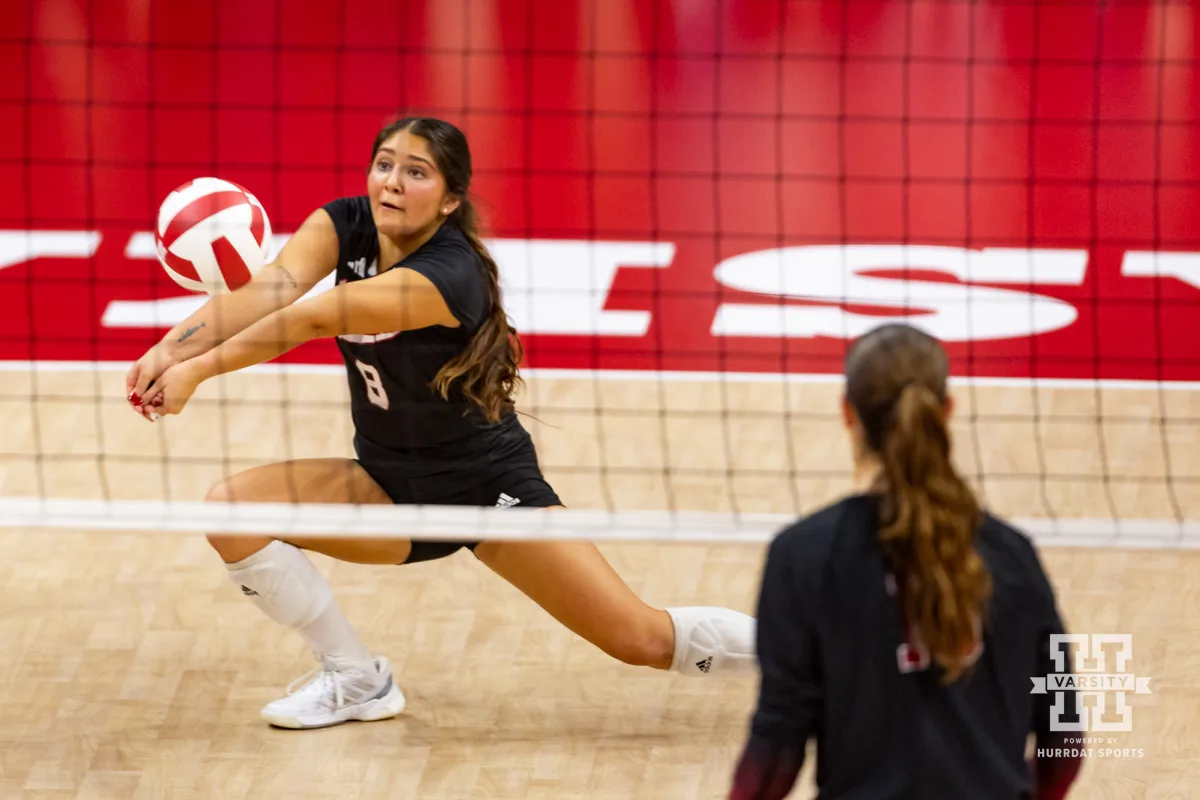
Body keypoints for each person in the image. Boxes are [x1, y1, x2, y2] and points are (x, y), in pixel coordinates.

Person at [126, 116, 756, 730]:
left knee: (637, 637)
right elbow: (272, 290)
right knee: (232, 512)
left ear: (451, 200)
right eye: (385, 164)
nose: (392, 182)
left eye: (416, 172)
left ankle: (818, 652)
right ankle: (357, 680)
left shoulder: (448, 275)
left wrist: (195, 373)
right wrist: (168, 351)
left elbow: (308, 317)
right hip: (389, 486)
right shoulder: (345, 223)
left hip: (483, 489)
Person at [728, 323, 1083, 800]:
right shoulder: (1012, 557)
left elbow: (776, 750)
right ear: (947, 411)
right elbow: (1064, 738)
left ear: (847, 413)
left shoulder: (803, 557)